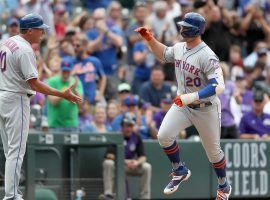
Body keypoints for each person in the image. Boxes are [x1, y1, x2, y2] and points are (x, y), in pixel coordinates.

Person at [135, 12, 231, 199]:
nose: (181, 29)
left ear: (195, 30)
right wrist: (150, 39)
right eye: (182, 25)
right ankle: (179, 170)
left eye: (185, 27)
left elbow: (218, 86)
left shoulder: (207, 55)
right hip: (184, 105)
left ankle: (223, 185)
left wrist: (189, 97)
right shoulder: (180, 47)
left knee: (213, 152)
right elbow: (164, 54)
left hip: (206, 108)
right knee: (163, 135)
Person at [0, 13, 82, 200]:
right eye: (39, 29)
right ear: (30, 30)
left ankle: (10, 193)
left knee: (10, 151)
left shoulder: (7, 42)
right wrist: (62, 94)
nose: (42, 33)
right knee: (16, 150)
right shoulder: (25, 49)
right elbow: (34, 83)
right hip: (16, 99)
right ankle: (11, 195)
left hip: (3, 95)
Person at [102, 112, 151, 199]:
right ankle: (108, 194)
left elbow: (143, 156)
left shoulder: (137, 137)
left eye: (131, 125)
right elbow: (108, 155)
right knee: (108, 163)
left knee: (147, 167)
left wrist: (136, 162)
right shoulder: (115, 136)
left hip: (131, 166)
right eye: (127, 125)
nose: (129, 128)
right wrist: (124, 161)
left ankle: (145, 197)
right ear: (122, 125)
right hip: (117, 165)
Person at [47, 57, 84, 132]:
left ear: (71, 71)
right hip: (55, 125)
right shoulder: (52, 81)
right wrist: (64, 94)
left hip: (72, 124)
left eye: (68, 71)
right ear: (60, 70)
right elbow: (53, 102)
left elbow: (80, 103)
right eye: (64, 71)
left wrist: (74, 89)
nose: (66, 73)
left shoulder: (76, 82)